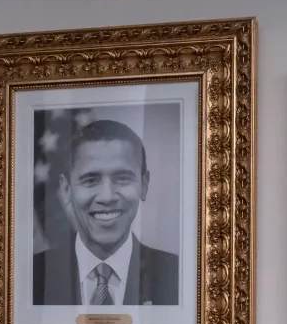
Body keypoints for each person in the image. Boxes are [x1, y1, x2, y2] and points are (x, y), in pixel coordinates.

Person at [32, 119, 179, 306]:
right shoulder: (31, 276)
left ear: (144, 185)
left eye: (122, 178)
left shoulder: (178, 275)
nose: (107, 197)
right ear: (67, 189)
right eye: (90, 180)